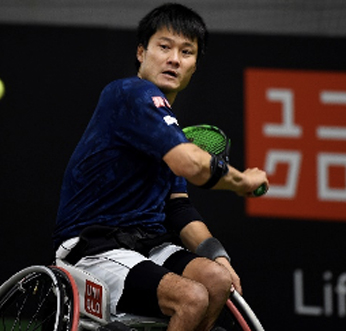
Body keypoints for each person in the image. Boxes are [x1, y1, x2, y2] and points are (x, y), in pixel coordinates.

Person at [53, 3, 269, 331]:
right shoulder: (130, 93)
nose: (174, 59)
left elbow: (179, 209)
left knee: (215, 279)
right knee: (192, 298)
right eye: (164, 47)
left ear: (195, 65)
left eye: (186, 52)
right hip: (94, 248)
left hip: (148, 246)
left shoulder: (169, 134)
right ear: (142, 52)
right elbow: (192, 165)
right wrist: (242, 181)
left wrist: (219, 257)